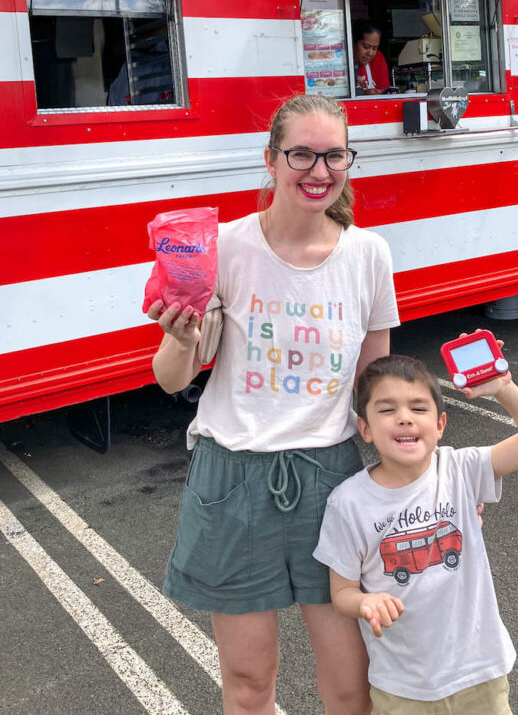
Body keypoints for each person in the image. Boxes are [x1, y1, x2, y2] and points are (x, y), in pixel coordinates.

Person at [147, 93, 400, 715]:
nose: (319, 171)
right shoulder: (224, 248)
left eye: (334, 155)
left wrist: (429, 484)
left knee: (350, 686)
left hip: (334, 479)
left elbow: (377, 387)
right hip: (233, 477)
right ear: (271, 160)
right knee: (249, 683)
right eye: (302, 155)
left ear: (350, 161)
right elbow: (172, 378)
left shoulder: (368, 254)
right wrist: (181, 339)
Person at [314, 353, 518, 715]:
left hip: (479, 672)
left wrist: (503, 389)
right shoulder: (348, 503)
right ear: (364, 428)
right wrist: (365, 603)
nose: (404, 417)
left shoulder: (460, 469)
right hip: (402, 685)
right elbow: (343, 592)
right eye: (386, 410)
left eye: (418, 407)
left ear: (440, 423)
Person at [353, 20, 389, 95]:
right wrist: (364, 93)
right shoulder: (342, 61)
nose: (370, 53)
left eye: (375, 48)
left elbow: (384, 91)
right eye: (366, 47)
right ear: (353, 44)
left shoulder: (378, 58)